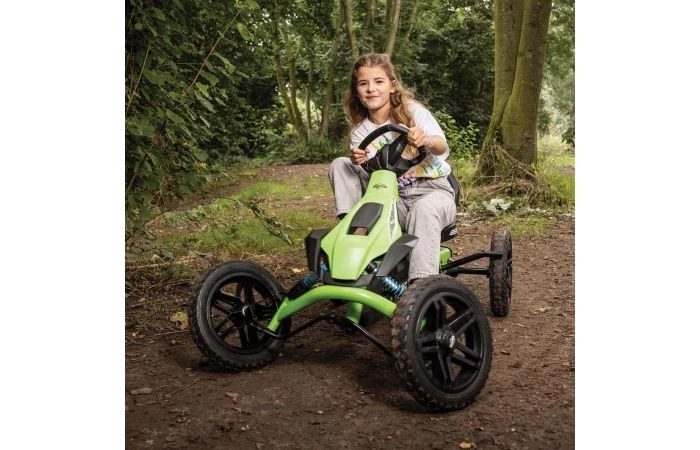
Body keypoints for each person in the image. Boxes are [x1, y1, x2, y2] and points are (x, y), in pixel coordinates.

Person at [329, 53, 456, 283]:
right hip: (392, 199)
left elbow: (441, 146)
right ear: (356, 91)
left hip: (432, 191)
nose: (371, 89)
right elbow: (373, 180)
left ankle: (422, 287)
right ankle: (353, 232)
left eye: (379, 81)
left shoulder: (413, 111)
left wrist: (425, 139)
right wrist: (359, 160)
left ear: (392, 86)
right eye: (363, 84)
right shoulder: (360, 131)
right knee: (341, 164)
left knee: (423, 209)